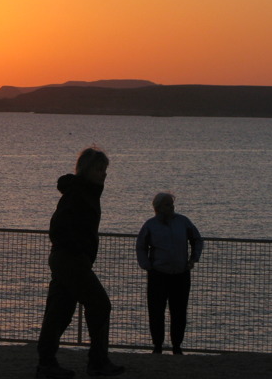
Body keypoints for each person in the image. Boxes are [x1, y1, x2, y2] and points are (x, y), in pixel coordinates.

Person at [36, 148, 124, 378]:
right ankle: (97, 361)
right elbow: (58, 228)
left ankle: (47, 363)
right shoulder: (78, 194)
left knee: (60, 311)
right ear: (87, 170)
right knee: (99, 304)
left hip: (68, 258)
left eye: (105, 170)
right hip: (70, 259)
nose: (103, 174)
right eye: (99, 169)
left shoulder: (84, 192)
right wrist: (78, 250)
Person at [135, 192, 204, 355]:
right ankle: (157, 346)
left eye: (171, 204)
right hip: (158, 274)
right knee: (156, 311)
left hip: (180, 274)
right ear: (157, 208)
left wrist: (193, 259)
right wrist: (147, 266)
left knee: (179, 311)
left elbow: (197, 239)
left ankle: (177, 346)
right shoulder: (150, 225)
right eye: (167, 204)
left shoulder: (183, 222)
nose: (171, 207)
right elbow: (141, 246)